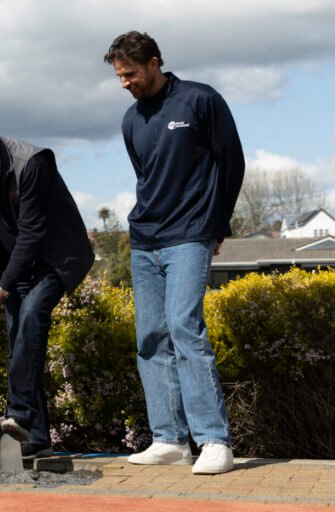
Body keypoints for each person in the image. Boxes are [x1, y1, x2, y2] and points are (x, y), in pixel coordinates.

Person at [103, 31, 245, 474]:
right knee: (149, 338)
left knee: (185, 328)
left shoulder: (200, 101)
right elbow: (146, 176)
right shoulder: (131, 120)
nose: (125, 82)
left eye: (130, 74)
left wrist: (217, 224)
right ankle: (169, 438)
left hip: (190, 234)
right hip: (146, 240)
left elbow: (232, 161)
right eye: (119, 76)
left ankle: (213, 440)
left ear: (154, 62)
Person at [0, 115, 94, 459]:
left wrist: (3, 289)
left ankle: (18, 415)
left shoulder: (31, 163)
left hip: (56, 256)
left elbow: (32, 232)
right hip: (13, 263)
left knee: (31, 319)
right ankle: (37, 438)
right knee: (20, 340)